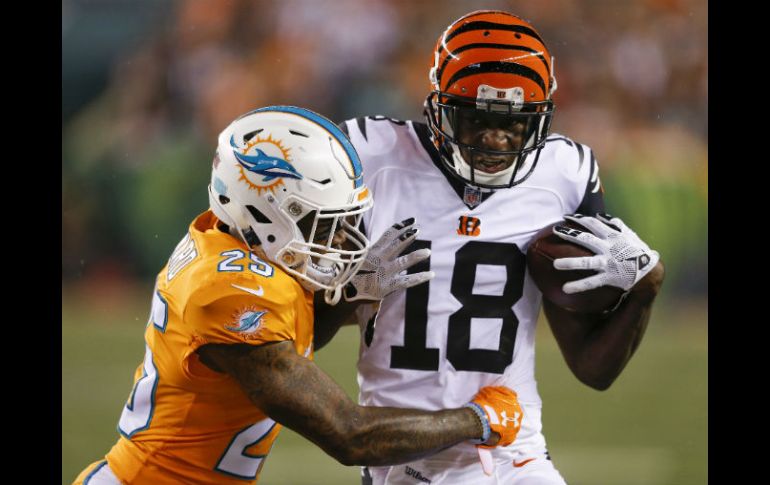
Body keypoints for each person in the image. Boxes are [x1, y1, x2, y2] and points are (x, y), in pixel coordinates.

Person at [72, 106, 527, 485]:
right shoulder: (231, 292)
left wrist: (348, 293)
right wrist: (479, 420)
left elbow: (286, 353)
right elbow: (350, 436)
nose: (340, 239)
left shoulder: (239, 245)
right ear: (265, 208)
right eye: (321, 221)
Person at [317, 10, 666, 484]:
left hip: (517, 453)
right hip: (404, 456)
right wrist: (351, 289)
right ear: (439, 107)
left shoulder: (561, 175)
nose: (495, 140)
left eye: (514, 124)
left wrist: (645, 287)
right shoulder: (370, 157)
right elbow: (305, 337)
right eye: (476, 120)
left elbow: (593, 370)